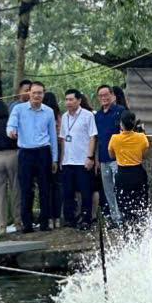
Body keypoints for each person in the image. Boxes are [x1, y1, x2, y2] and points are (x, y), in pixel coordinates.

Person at [7, 82, 58, 233]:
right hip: (25, 152)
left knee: (45, 189)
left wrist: (54, 158)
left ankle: (44, 223)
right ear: (29, 93)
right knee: (26, 189)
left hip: (43, 152)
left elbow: (53, 136)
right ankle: (27, 224)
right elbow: (11, 125)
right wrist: (11, 132)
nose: (37, 96)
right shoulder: (19, 109)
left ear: (44, 94)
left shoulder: (48, 111)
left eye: (40, 93)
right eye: (34, 92)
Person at [58, 89, 98, 229]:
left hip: (83, 160)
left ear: (79, 100)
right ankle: (70, 219)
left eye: (71, 99)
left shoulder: (88, 116)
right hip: (68, 160)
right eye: (66, 99)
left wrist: (90, 157)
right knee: (68, 192)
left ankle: (87, 218)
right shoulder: (64, 117)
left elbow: (93, 137)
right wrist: (62, 158)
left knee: (85, 191)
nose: (68, 102)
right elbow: (63, 139)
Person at [108, 110, 150, 227]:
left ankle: (128, 229)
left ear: (121, 124)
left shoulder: (114, 139)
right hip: (138, 173)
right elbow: (144, 155)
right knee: (140, 203)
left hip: (122, 174)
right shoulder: (142, 137)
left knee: (125, 204)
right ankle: (141, 228)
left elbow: (111, 155)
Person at [93, 84, 126, 226]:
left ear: (112, 95)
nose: (103, 98)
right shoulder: (97, 116)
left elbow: (124, 134)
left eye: (106, 95)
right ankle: (114, 218)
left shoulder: (120, 111)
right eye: (100, 96)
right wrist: (95, 160)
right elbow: (96, 139)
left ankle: (123, 217)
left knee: (119, 188)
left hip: (117, 158)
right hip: (103, 158)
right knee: (108, 190)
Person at [0, 99, 21, 235]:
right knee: (16, 189)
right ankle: (18, 222)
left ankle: (2, 226)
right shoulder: (10, 123)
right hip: (13, 155)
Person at [43, 91, 63, 226]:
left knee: (46, 186)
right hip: (58, 149)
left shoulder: (44, 115)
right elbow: (62, 135)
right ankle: (57, 218)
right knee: (57, 185)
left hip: (44, 149)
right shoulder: (59, 116)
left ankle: (48, 218)